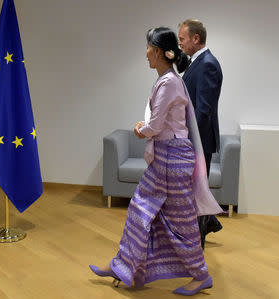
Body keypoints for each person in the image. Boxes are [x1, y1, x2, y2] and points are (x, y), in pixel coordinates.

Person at [89, 27, 222, 296]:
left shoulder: (169, 82)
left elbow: (155, 125)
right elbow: (159, 123)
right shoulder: (167, 79)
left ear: (159, 52)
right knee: (140, 213)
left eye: (149, 47)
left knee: (181, 222)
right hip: (166, 158)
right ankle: (125, 266)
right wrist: (147, 127)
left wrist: (141, 129)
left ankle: (201, 275)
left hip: (172, 160)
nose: (146, 53)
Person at [178, 19, 223, 249]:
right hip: (196, 139)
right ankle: (210, 222)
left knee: (196, 192)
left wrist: (186, 139)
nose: (180, 44)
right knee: (196, 189)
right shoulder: (197, 62)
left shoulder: (207, 64)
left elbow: (203, 110)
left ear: (196, 39)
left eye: (182, 39)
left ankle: (197, 245)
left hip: (199, 140)